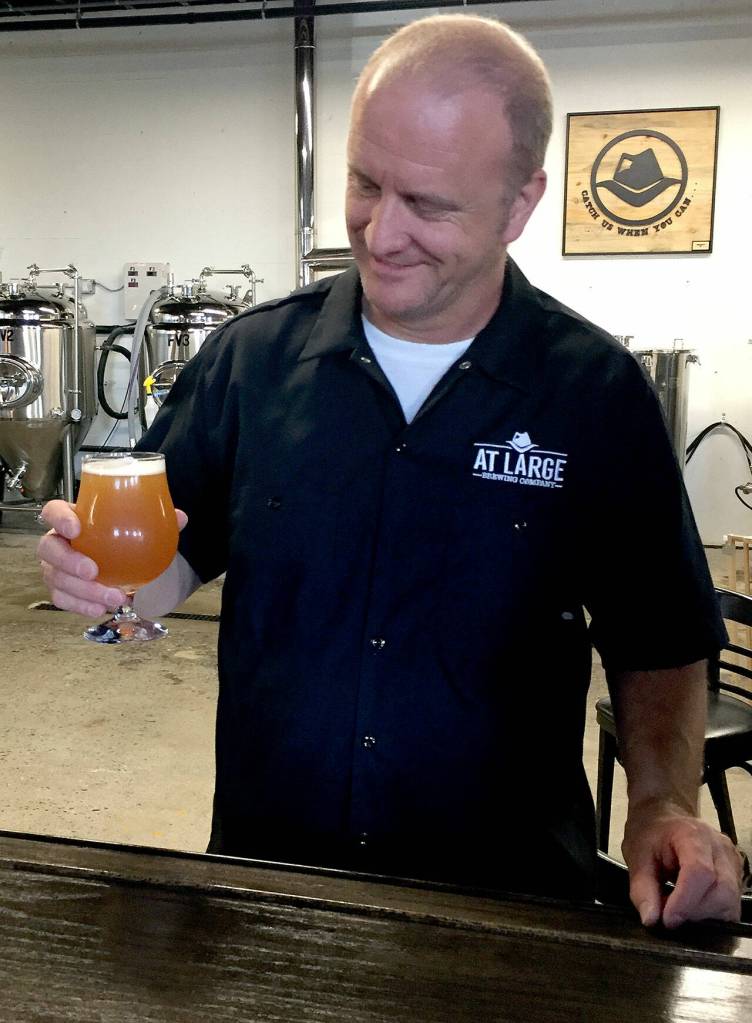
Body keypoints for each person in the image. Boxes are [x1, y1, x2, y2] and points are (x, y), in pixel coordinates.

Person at [38, 14, 744, 926]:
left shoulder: (595, 394)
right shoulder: (252, 363)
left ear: (520, 204)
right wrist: (108, 584)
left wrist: (661, 802)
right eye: (365, 184)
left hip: (506, 904)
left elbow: (661, 637)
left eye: (430, 204)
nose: (381, 231)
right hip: (273, 883)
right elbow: (174, 557)